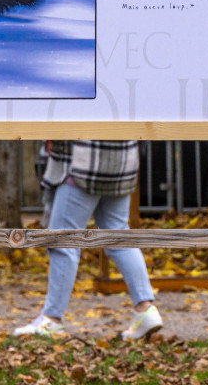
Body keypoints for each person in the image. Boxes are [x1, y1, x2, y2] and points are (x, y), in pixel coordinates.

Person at [13, 140, 162, 340]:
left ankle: (51, 319)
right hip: (122, 162)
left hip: (84, 162)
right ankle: (146, 308)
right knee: (118, 237)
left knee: (63, 240)